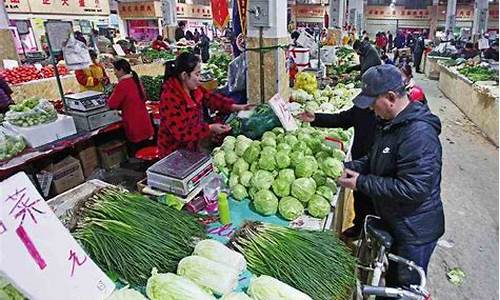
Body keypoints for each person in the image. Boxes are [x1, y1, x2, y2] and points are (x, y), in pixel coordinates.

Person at [338, 64, 444, 290]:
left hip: (414, 231)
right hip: (396, 220)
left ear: (390, 97)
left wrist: (361, 182)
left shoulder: (419, 134)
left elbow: (414, 188)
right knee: (391, 280)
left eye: (372, 102)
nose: (370, 110)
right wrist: (349, 166)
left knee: (404, 288)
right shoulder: (391, 124)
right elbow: (376, 158)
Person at [157, 52, 254, 157]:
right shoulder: (170, 97)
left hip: (192, 146)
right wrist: (210, 128)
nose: (199, 78)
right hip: (173, 152)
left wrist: (236, 107)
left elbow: (211, 99)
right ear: (184, 75)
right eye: (197, 74)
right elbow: (181, 133)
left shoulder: (194, 89)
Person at [108, 59, 154, 154]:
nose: (114, 73)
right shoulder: (135, 79)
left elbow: (112, 104)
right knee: (146, 147)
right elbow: (143, 97)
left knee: (138, 151)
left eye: (115, 70)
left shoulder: (122, 84)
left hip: (134, 123)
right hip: (144, 121)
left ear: (121, 70)